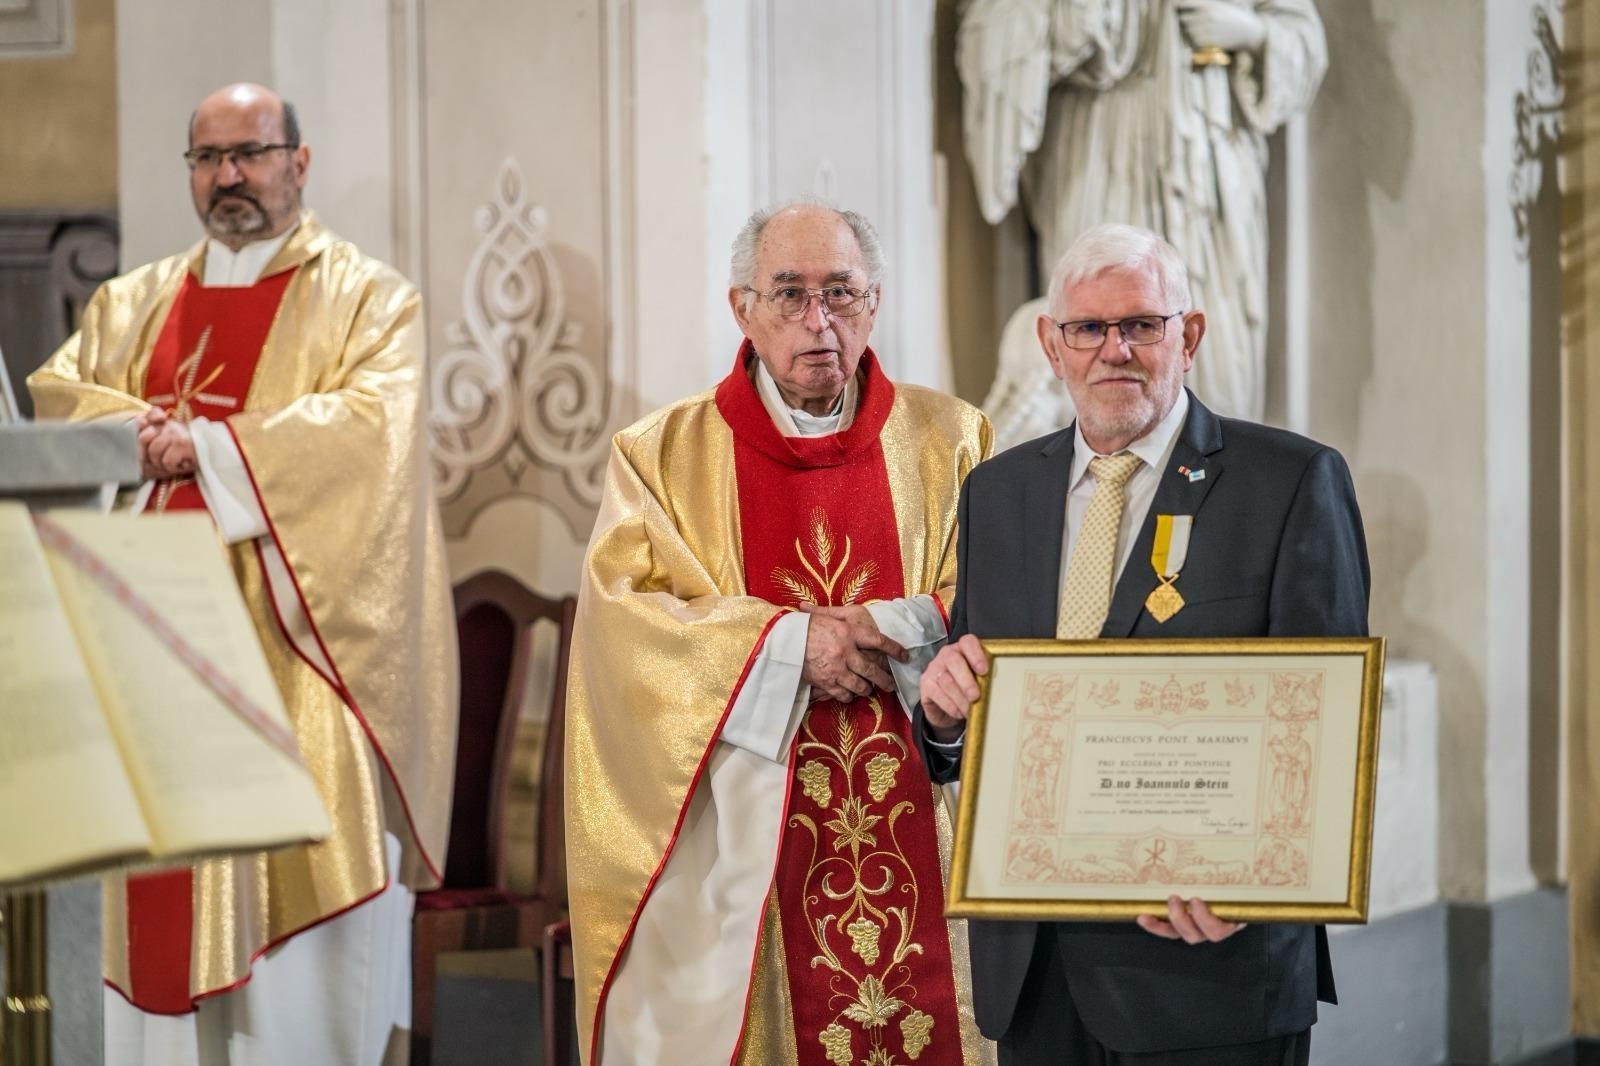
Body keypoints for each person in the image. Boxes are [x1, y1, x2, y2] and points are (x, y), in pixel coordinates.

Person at [28, 82, 456, 1065]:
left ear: (298, 162)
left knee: (290, 966)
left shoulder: (370, 299)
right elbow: (58, 392)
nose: (230, 176)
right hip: (145, 655)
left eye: (251, 154)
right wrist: (132, 434)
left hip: (296, 663)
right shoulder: (131, 302)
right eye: (208, 158)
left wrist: (209, 450)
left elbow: (370, 438)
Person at [916, 223, 1369, 1065]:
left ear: (1187, 336)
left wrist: (1259, 886)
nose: (1114, 350)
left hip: (1209, 969)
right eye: (1089, 328)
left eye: (1141, 325)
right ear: (1052, 344)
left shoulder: (1288, 482)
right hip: (1036, 966)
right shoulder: (997, 493)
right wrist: (942, 717)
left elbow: (1328, 724)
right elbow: (980, 714)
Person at [565, 201, 995, 1065]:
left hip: (929, 811)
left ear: (874, 303)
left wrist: (887, 624)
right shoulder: (660, 455)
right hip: (748, 838)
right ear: (743, 308)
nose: (818, 320)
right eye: (790, 294)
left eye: (841, 293)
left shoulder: (953, 440)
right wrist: (790, 647)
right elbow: (628, 629)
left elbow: (1001, 592)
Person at [960, 0, 1327, 439]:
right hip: (1098, 139)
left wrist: (1252, 33)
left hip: (1208, 153)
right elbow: (993, 25)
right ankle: (1101, 471)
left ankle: (1219, 469)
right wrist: (1075, 19)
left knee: (1217, 330)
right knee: (1096, 308)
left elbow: (1301, 34)